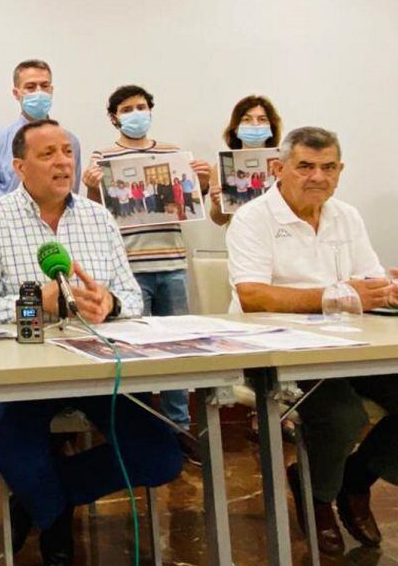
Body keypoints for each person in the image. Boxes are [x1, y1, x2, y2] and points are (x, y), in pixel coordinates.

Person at [0, 119, 182, 564]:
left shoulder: (100, 218)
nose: (62, 161)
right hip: (23, 371)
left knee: (163, 456)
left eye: (67, 151)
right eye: (48, 154)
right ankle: (53, 518)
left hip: (98, 365)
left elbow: (134, 297)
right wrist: (35, 303)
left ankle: (43, 503)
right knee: (20, 463)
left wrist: (110, 303)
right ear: (20, 167)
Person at [227, 126, 398, 556]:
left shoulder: (347, 216)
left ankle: (354, 481)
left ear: (340, 171)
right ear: (278, 168)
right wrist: (336, 295)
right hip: (281, 351)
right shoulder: (253, 218)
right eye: (305, 166)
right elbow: (252, 295)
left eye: (327, 167)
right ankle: (318, 497)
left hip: (352, 346)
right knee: (342, 417)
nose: (316, 177)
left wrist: (386, 288)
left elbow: (369, 281)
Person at [82, 84, 211, 464]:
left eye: (142, 107)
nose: (136, 113)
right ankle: (137, 431)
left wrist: (202, 181)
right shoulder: (101, 157)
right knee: (133, 352)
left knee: (177, 351)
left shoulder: (173, 154)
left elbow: (193, 202)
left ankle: (179, 428)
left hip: (171, 263)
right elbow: (94, 212)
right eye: (127, 108)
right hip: (128, 271)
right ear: (113, 117)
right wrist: (92, 187)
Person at [0, 59, 82, 211]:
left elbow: (70, 195)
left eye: (44, 86)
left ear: (51, 90)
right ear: (16, 93)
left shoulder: (70, 142)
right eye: (30, 87)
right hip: (8, 230)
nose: (39, 92)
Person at [210, 95, 284, 226]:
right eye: (246, 119)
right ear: (236, 128)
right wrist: (218, 203)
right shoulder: (222, 166)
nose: (255, 124)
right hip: (241, 238)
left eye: (262, 119)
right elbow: (219, 220)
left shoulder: (285, 164)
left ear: (271, 127)